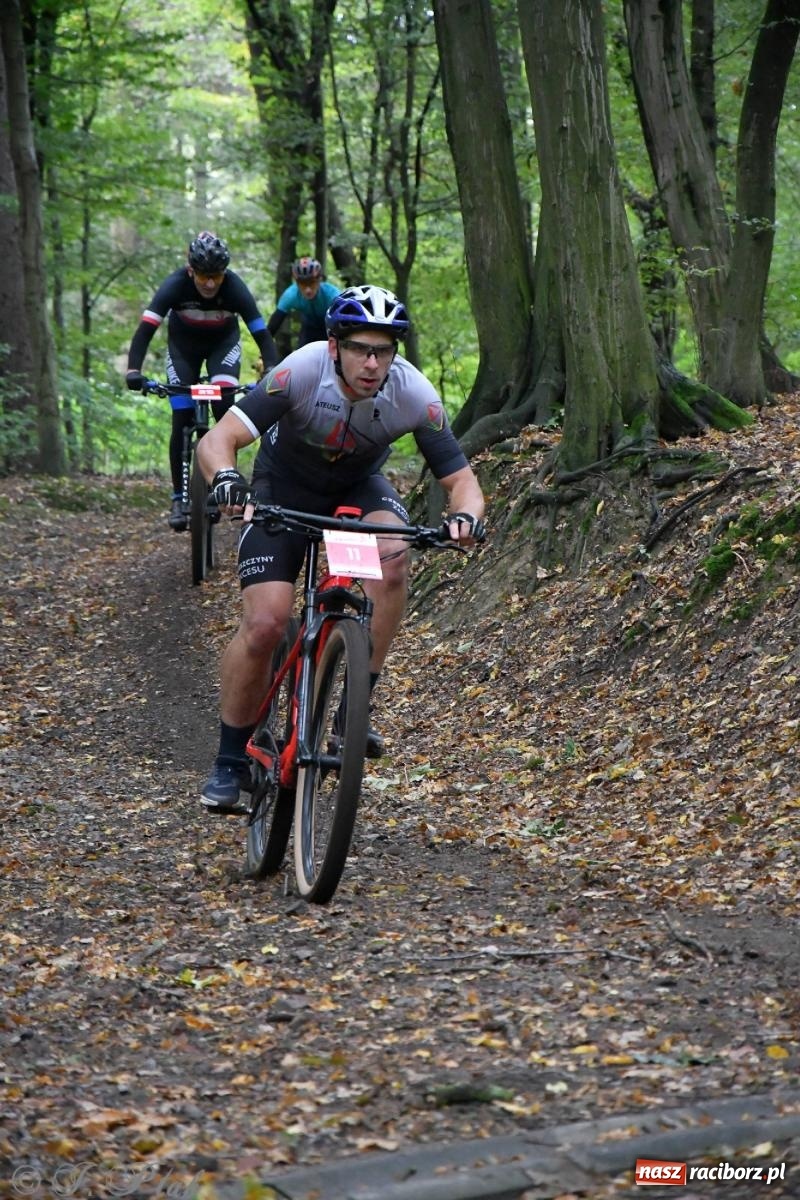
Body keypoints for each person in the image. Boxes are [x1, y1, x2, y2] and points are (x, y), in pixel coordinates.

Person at [195, 284, 486, 812]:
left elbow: (462, 482)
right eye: (359, 348)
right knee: (266, 623)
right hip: (282, 492)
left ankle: (355, 708)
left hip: (353, 498)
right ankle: (229, 759)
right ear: (335, 346)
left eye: (383, 350)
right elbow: (216, 441)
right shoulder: (300, 372)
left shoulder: (414, 394)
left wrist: (464, 517)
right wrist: (226, 481)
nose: (372, 363)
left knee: (393, 559)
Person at [125, 231, 278, 531]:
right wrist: (133, 370)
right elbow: (146, 329)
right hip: (183, 350)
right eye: (204, 276)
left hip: (223, 346)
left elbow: (261, 332)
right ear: (191, 270)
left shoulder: (234, 287)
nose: (210, 283)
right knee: (181, 416)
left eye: (216, 277)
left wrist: (271, 367)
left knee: (224, 409)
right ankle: (178, 497)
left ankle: (221, 485)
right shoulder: (174, 285)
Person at [266, 256, 340, 349]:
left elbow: (346, 321)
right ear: (296, 283)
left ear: (319, 280)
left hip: (330, 326)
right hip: (309, 328)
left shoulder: (332, 294)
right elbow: (273, 325)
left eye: (312, 282)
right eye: (303, 284)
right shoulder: (291, 295)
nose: (307, 290)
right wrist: (263, 352)